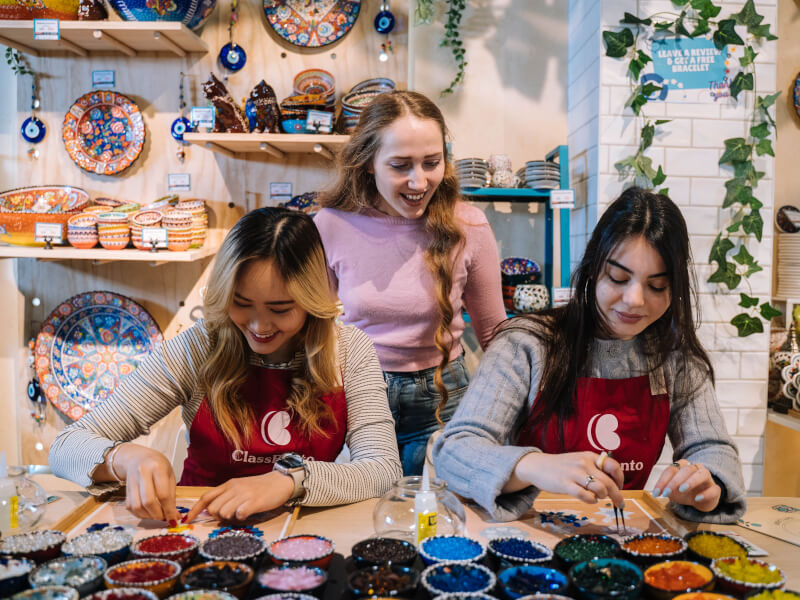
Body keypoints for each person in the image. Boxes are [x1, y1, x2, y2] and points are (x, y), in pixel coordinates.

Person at [50, 207, 402, 525]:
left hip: (301, 528)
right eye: (240, 303)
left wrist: (290, 480)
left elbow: (383, 470)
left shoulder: (349, 350)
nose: (259, 326)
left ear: (312, 300)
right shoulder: (197, 347)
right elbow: (64, 447)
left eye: (280, 309)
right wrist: (122, 458)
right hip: (200, 524)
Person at [433, 187, 746, 523]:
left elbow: (714, 450)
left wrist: (707, 483)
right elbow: (455, 451)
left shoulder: (676, 359)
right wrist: (535, 465)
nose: (634, 300)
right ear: (593, 268)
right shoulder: (527, 343)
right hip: (529, 537)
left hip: (625, 536)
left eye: (657, 286)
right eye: (618, 278)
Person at [315, 90, 507, 476]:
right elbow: (310, 325)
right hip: (357, 393)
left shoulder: (468, 225)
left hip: (445, 395)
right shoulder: (330, 225)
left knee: (439, 518)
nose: (419, 181)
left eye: (431, 163)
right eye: (401, 165)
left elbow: (495, 334)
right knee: (366, 517)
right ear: (368, 162)